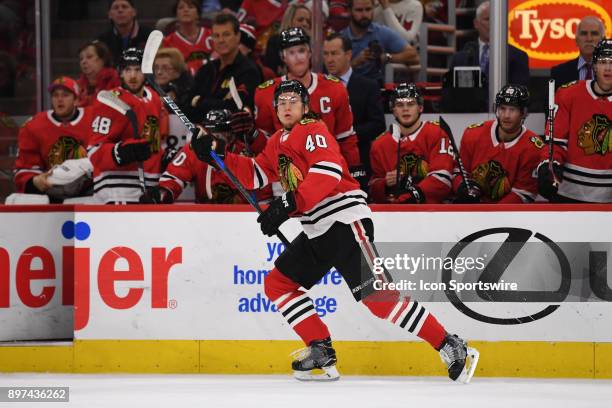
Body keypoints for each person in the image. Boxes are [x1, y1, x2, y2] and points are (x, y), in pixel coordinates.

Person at [190, 79, 477, 382]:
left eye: (293, 100)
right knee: (278, 284)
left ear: (304, 106)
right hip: (316, 229)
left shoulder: (313, 130)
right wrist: (216, 155)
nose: (287, 106)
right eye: (281, 102)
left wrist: (287, 203)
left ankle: (450, 344)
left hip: (344, 222)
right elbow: (255, 174)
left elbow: (327, 173)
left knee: (380, 300)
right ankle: (320, 348)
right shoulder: (277, 141)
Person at [255, 27, 361, 172]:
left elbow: (346, 139)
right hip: (286, 176)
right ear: (283, 57)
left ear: (310, 52)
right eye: (291, 53)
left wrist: (354, 174)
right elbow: (263, 146)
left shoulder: (334, 88)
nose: (298, 58)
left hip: (328, 171)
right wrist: (250, 133)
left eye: (301, 51)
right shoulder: (266, 92)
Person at [88, 48, 168, 204]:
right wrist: (122, 153)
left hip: (150, 188)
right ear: (120, 73)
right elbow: (94, 151)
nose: (132, 75)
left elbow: (156, 142)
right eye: (127, 70)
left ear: (145, 72)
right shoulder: (109, 101)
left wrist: (165, 156)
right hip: (116, 189)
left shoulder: (154, 98)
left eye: (137, 70)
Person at [537, 39, 612, 203]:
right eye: (603, 62)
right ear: (594, 66)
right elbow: (555, 143)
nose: (608, 68)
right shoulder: (568, 94)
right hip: (569, 194)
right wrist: (549, 165)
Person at [151, 109, 268, 203]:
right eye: (213, 133)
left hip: (241, 216)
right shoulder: (194, 150)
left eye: (223, 133)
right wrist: (163, 193)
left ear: (233, 133)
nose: (217, 138)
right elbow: (175, 176)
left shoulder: (245, 151)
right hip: (204, 217)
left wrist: (239, 199)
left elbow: (262, 192)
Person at [452, 84, 541, 204]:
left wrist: (492, 213)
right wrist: (463, 188)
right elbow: (458, 172)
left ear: (524, 113)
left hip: (507, 216)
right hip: (470, 210)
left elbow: (522, 193)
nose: (506, 115)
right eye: (502, 108)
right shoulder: (472, 134)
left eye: (512, 109)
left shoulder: (533, 147)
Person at [369, 83, 454, 204]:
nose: (405, 109)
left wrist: (409, 196)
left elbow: (442, 180)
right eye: (399, 105)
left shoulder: (437, 133)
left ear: (420, 107)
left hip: (432, 212)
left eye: (410, 104)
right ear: (393, 109)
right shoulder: (379, 145)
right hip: (395, 214)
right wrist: (385, 183)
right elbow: (373, 188)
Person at [14, 76, 93, 200]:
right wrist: (36, 181)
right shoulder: (34, 125)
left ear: (76, 100)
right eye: (55, 95)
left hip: (89, 191)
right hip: (51, 191)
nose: (60, 99)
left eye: (65, 95)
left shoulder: (94, 119)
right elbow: (25, 167)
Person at [323, 32, 385, 183]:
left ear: (349, 55)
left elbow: (378, 124)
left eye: (334, 53)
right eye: (326, 54)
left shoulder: (368, 86)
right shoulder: (316, 86)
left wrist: (345, 135)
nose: (329, 59)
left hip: (358, 162)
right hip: (323, 163)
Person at [187, 13, 262, 123]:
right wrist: (219, 102)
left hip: (234, 136)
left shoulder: (249, 70)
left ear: (238, 36)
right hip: (199, 131)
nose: (221, 40)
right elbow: (187, 103)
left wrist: (198, 101)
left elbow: (235, 109)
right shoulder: (206, 69)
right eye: (216, 36)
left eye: (226, 34)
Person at [341, 0, 418, 84]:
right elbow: (333, 75)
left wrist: (385, 57)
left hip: (376, 88)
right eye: (359, 10)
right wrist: (356, 62)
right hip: (347, 88)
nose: (364, 15)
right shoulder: (340, 38)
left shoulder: (381, 32)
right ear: (349, 11)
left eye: (368, 9)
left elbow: (413, 56)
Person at [550, 16, 605, 89]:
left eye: (594, 34)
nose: (589, 39)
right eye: (584, 34)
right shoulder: (559, 73)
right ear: (576, 41)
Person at [162, 0, 214, 76]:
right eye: (181, 8)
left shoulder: (213, 35)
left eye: (190, 7)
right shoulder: (168, 42)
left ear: (198, 14)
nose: (185, 10)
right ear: (176, 14)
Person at [97, 0, 153, 64]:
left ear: (134, 12)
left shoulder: (150, 36)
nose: (120, 10)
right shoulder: (102, 41)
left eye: (124, 7)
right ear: (110, 15)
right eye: (116, 7)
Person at [263, 3, 312, 76]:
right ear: (289, 21)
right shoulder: (275, 42)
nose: (305, 24)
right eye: (300, 20)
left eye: (308, 21)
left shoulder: (312, 44)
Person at [76, 41, 121, 107]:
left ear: (102, 60)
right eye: (81, 59)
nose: (84, 61)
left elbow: (113, 102)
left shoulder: (116, 81)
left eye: (89, 57)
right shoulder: (77, 85)